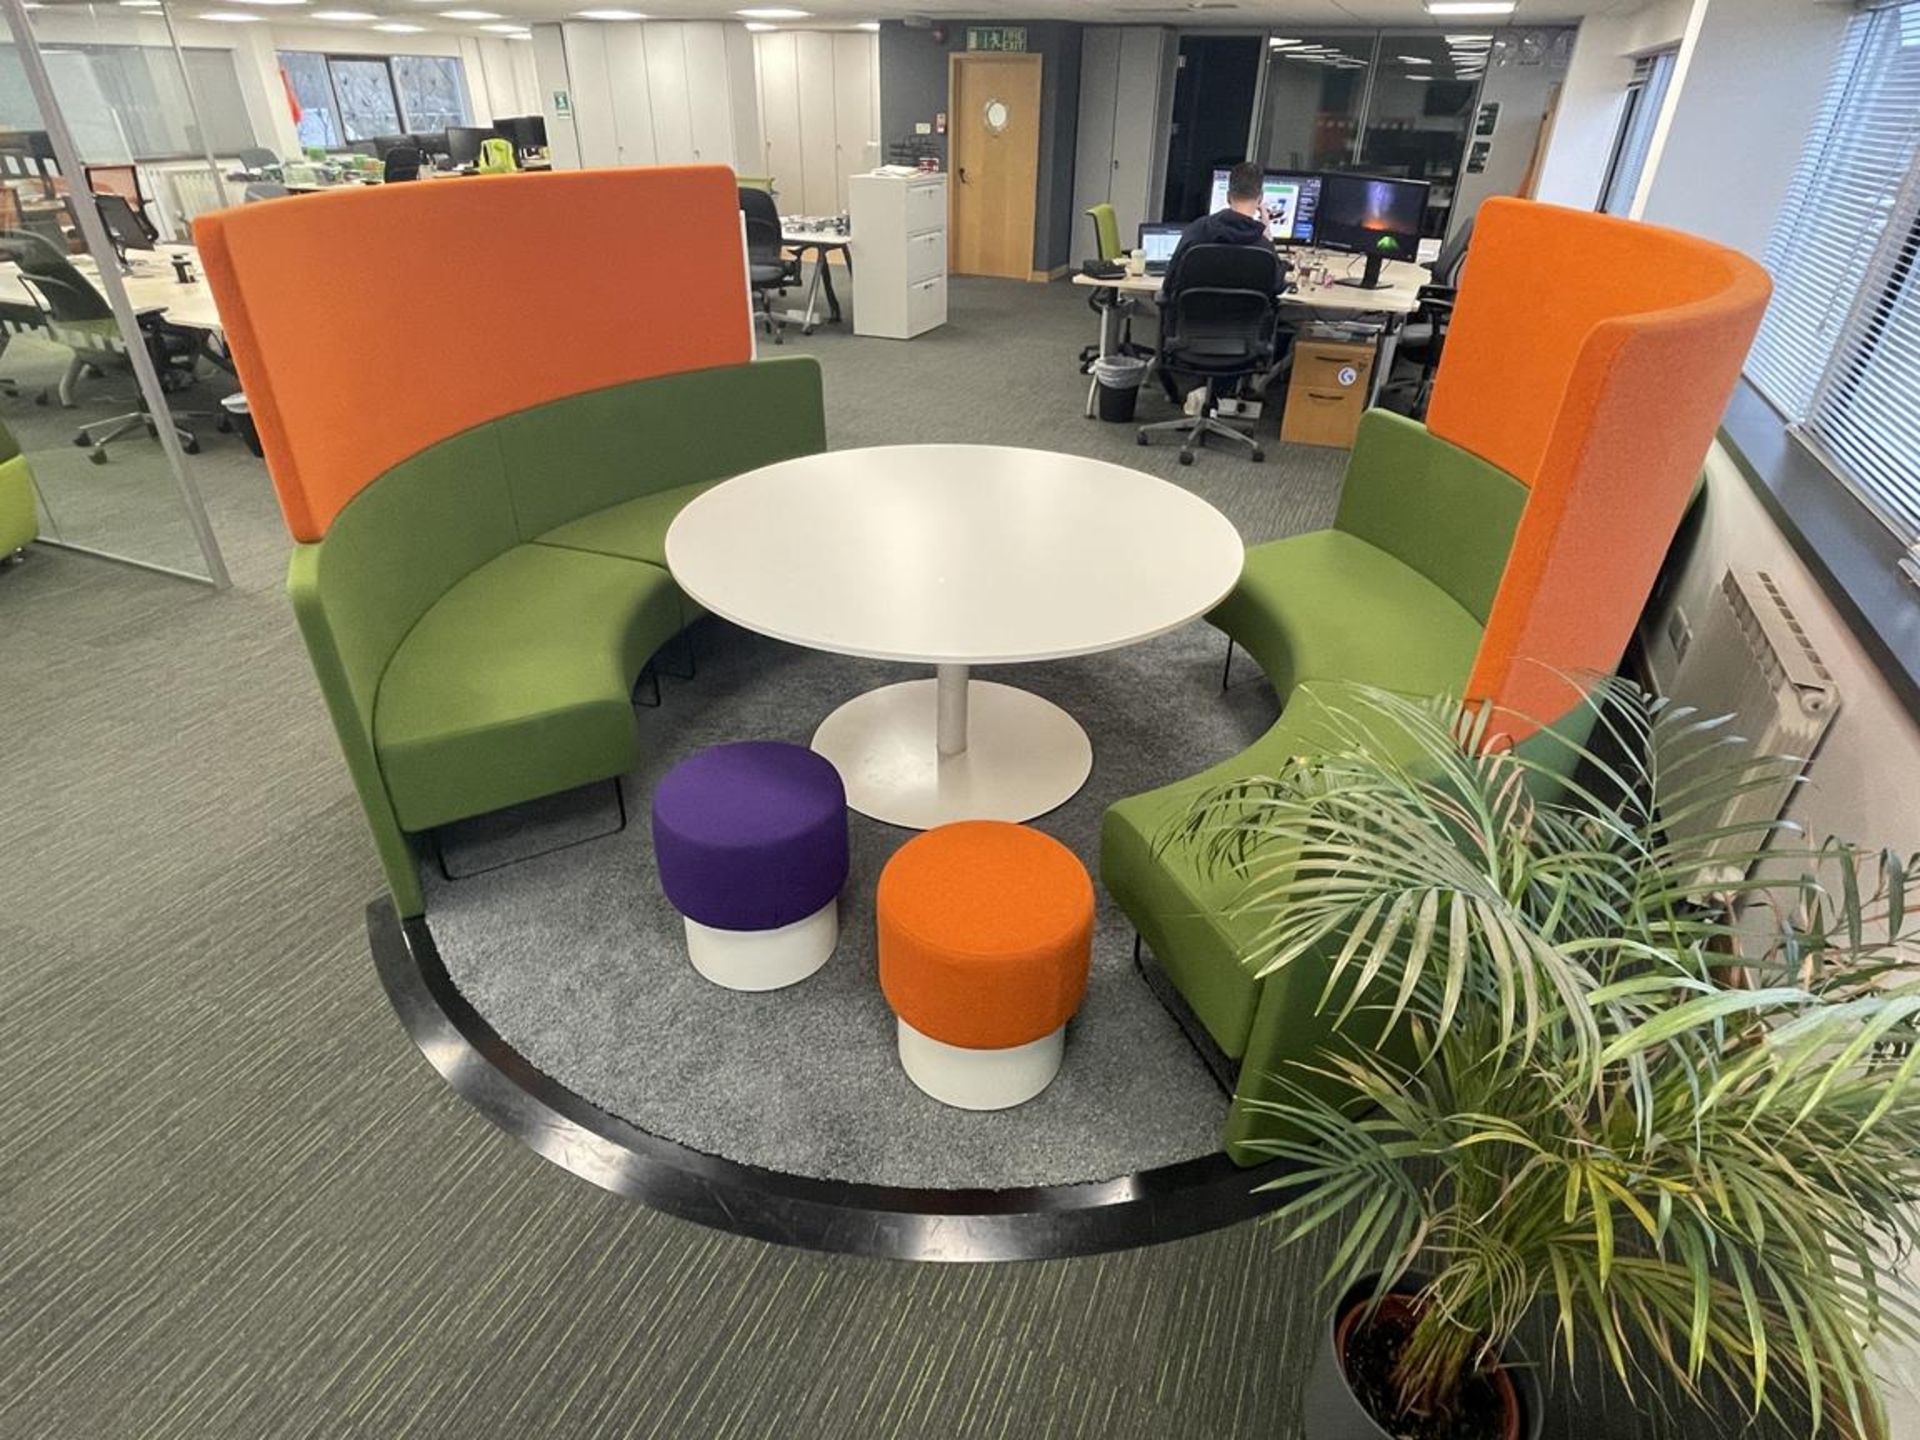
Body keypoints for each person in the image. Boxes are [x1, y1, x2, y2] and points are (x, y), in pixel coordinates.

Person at [1168, 161, 1270, 269]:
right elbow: (1276, 284)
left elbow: (1171, 281)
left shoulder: (1197, 231)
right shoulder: (1264, 248)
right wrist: (1268, 239)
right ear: (1260, 198)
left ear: (1228, 197)